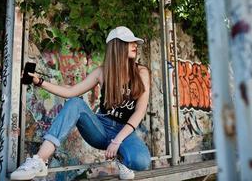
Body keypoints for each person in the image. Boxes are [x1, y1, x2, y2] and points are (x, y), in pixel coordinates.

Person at [11, 26, 151, 180]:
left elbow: (140, 111)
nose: (135, 45)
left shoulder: (141, 72)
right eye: (129, 42)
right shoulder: (102, 72)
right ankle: (39, 160)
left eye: (134, 42)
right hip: (101, 129)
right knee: (75, 103)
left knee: (142, 162)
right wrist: (39, 82)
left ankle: (122, 159)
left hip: (125, 132)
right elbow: (70, 92)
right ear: (117, 45)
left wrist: (117, 141)